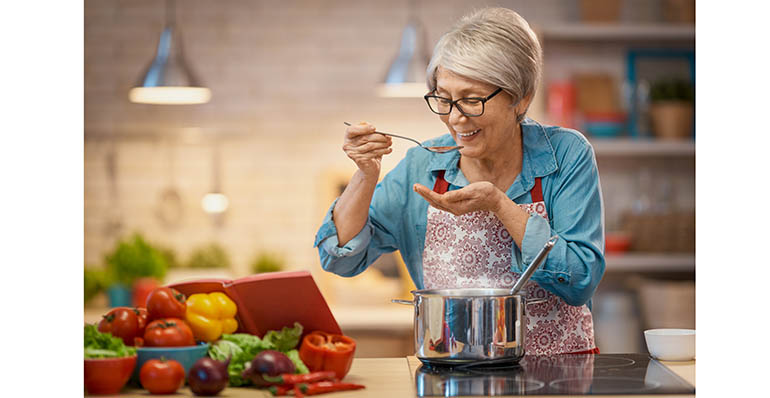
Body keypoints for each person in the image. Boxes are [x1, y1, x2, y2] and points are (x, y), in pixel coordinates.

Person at [314, 7, 604, 355]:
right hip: (450, 372)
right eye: (444, 99)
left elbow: (580, 280)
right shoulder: (422, 166)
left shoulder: (566, 154)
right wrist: (365, 174)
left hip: (559, 376)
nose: (454, 118)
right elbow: (339, 260)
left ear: (520, 98)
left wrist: (499, 203)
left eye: (471, 100)